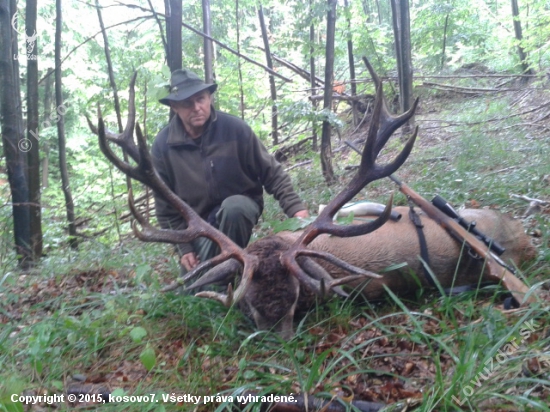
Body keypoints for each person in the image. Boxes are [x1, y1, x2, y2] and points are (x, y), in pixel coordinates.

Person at [152, 69, 309, 276]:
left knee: (235, 208)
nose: (197, 108)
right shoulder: (163, 146)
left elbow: (272, 172)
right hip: (198, 224)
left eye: (201, 99)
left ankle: (232, 270)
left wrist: (297, 211)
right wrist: (185, 249)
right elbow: (166, 207)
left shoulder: (235, 129)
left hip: (240, 207)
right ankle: (223, 270)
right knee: (193, 289)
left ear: (209, 98)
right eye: (187, 103)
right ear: (174, 106)